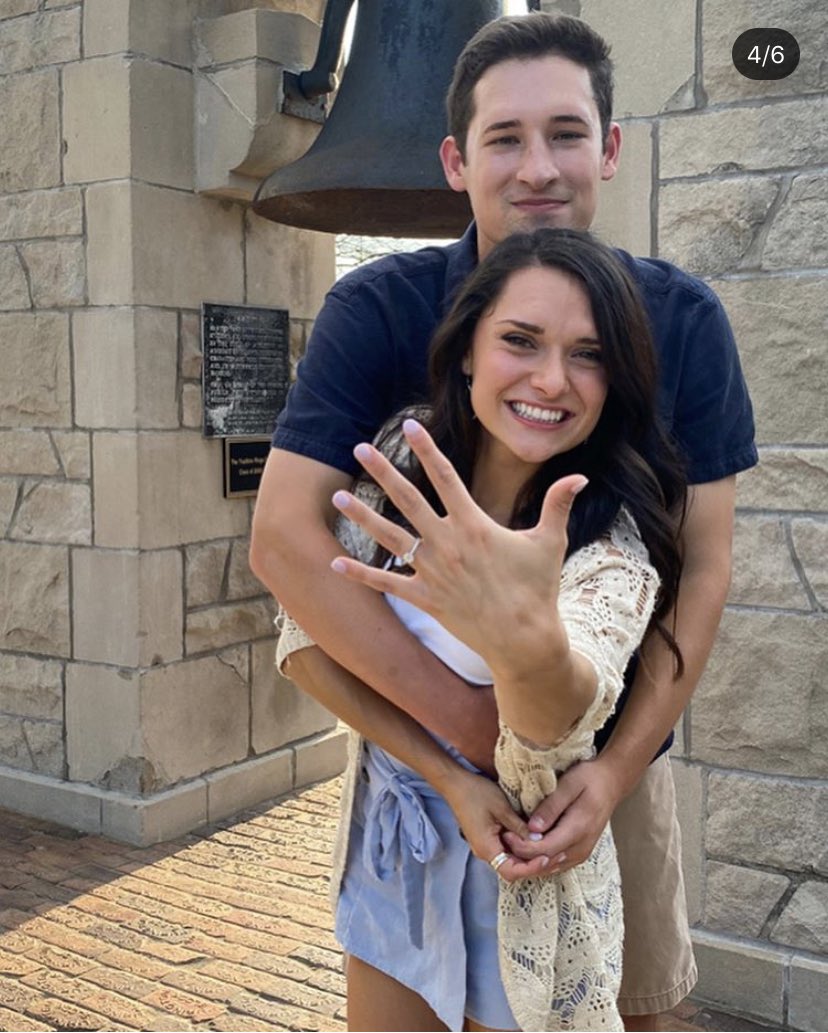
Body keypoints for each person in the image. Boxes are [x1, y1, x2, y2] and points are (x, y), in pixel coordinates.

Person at [250, 12, 757, 1030]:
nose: (537, 167)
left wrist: (607, 770)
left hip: (602, 778)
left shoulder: (684, 322)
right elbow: (286, 545)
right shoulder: (378, 313)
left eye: (566, 133)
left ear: (609, 148)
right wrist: (474, 739)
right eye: (505, 138)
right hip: (413, 764)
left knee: (625, 1006)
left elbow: (700, 570)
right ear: (455, 160)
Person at [276, 227, 688, 1031]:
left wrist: (519, 633)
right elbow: (303, 642)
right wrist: (449, 775)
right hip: (395, 856)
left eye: (588, 354)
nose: (551, 378)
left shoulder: (612, 539)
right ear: (468, 350)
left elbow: (555, 726)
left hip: (527, 885)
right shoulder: (401, 455)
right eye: (520, 340)